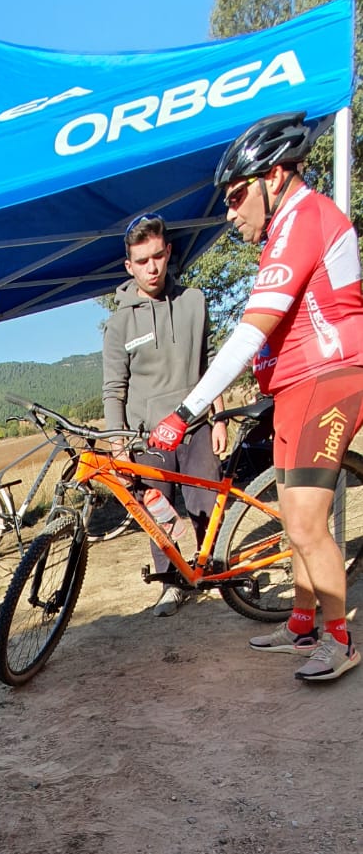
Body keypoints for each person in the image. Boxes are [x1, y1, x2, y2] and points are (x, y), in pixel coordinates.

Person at [149, 111, 363, 683]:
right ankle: (301, 624)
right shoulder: (285, 230)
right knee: (294, 520)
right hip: (296, 386)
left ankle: (340, 640)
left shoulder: (304, 219)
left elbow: (249, 334)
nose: (229, 212)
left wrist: (186, 412)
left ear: (274, 177)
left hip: (326, 378)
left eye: (236, 196)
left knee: (307, 524)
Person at [101, 214, 227, 615]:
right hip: (148, 439)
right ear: (129, 266)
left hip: (196, 427)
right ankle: (171, 585)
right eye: (142, 261)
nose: (152, 268)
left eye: (157, 256)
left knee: (207, 507)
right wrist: (118, 445)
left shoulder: (195, 301)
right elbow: (113, 390)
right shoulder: (119, 323)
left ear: (169, 252)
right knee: (158, 514)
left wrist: (220, 417)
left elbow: (212, 365)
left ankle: (213, 573)